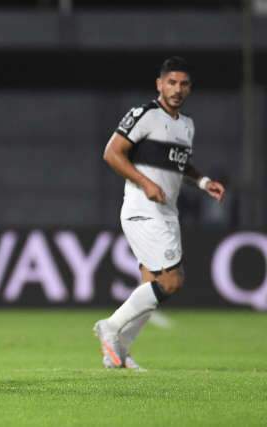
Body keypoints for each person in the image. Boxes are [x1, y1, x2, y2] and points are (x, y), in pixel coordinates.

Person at [94, 57, 225, 369]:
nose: (177, 89)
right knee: (172, 281)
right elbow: (111, 153)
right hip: (142, 208)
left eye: (183, 84)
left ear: (189, 88)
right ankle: (110, 327)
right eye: (171, 82)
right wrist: (145, 182)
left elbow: (178, 164)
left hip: (166, 211)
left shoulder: (186, 125)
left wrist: (203, 181)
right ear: (159, 84)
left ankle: (119, 354)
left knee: (150, 285)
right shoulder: (145, 115)